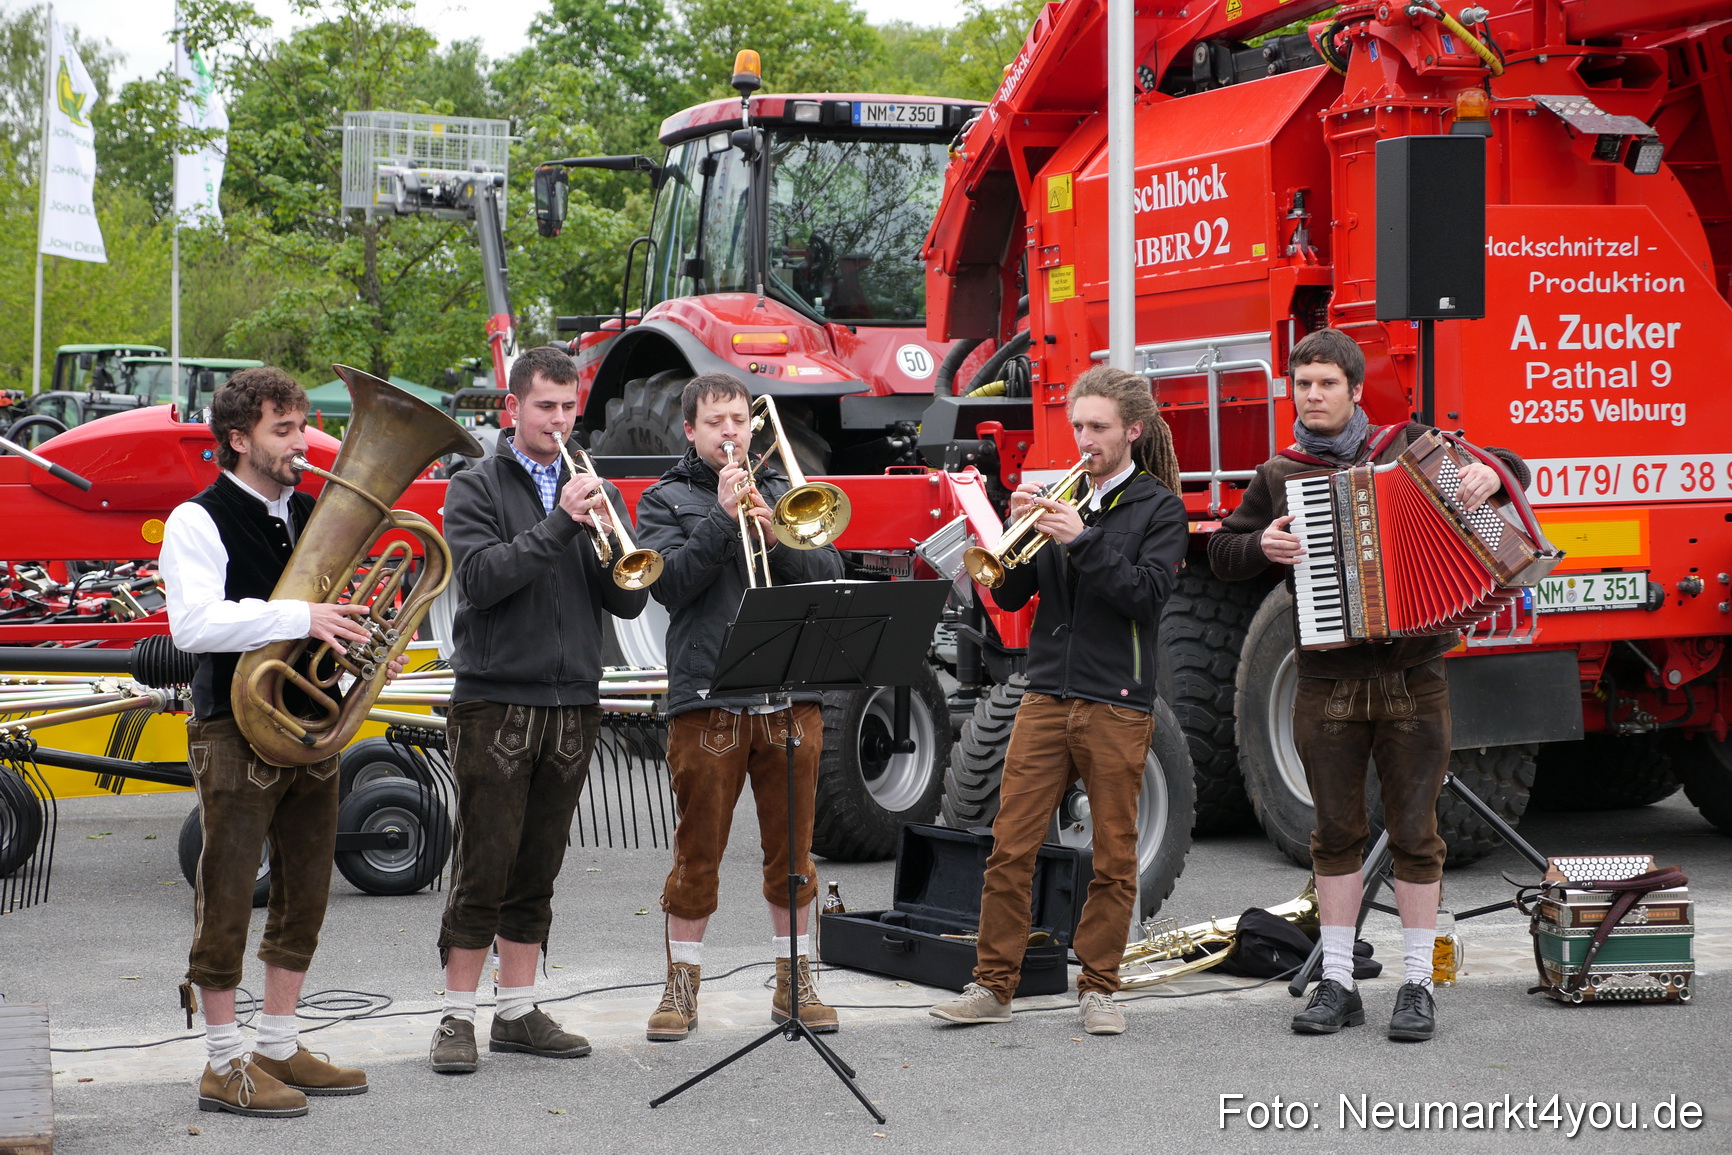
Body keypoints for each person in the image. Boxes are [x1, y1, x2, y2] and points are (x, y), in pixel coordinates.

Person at [1207, 327, 1530, 1041]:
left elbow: (1509, 470)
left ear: (1356, 390)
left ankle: (1417, 985)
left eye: (1327, 383)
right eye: (1303, 383)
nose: (1313, 395)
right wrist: (1261, 544)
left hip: (1413, 672)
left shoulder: (1408, 447)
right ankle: (1339, 983)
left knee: (1417, 833)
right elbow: (1221, 551)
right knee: (1335, 832)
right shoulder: (1279, 474)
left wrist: (1492, 475)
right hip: (1327, 678)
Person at [929, 366, 1188, 1036]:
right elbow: (1014, 598)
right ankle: (993, 983)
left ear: (1132, 430)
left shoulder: (1158, 508)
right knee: (1009, 845)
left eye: (1098, 427)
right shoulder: (1062, 497)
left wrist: (1084, 539)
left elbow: (1145, 596)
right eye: (1078, 426)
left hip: (1117, 698)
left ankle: (1099, 986)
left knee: (1112, 852)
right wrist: (1005, 547)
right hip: (1046, 691)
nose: (1085, 439)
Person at [428, 345, 649, 1073]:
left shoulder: (593, 486)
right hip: (496, 700)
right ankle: (456, 1016)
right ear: (512, 410)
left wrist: (621, 555)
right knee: (483, 865)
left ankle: (517, 1010)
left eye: (568, 406)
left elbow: (624, 597)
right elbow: (485, 579)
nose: (559, 420)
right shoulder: (475, 485)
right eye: (545, 407)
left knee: (539, 867)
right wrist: (560, 522)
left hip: (573, 700)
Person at [161, 367, 375, 1118]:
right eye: (285, 429)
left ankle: (279, 1041)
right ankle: (223, 1062)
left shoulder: (312, 511)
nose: (302, 442)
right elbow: (193, 626)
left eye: (302, 426)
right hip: (235, 727)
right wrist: (300, 617)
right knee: (226, 894)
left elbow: (334, 618)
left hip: (312, 724)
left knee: (307, 891)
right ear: (239, 438)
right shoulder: (199, 518)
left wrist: (363, 638)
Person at [632, 374, 844, 1042]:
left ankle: (795, 980)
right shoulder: (663, 499)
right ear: (690, 431)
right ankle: (680, 986)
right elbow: (671, 587)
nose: (730, 431)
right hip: (709, 698)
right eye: (714, 421)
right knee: (697, 854)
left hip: (788, 695)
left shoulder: (783, 491)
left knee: (795, 855)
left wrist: (775, 538)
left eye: (738, 420)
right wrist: (724, 521)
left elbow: (827, 570)